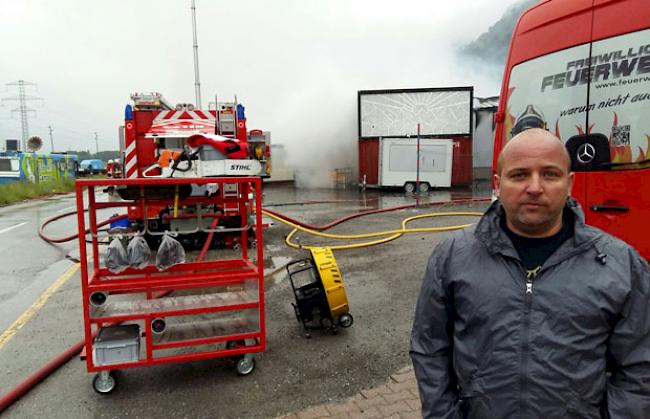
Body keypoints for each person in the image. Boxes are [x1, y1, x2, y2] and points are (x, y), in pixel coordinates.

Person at [410, 128, 650, 418]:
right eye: (520, 175)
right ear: (498, 184)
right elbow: (430, 349)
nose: (535, 187)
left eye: (550, 175)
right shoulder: (451, 256)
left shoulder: (619, 263)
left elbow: (640, 364)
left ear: (570, 183)